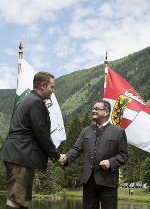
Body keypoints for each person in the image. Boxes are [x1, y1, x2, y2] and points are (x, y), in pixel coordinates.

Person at [0, 72, 64, 209]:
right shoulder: (35, 102)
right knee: (15, 199)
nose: (53, 91)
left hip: (21, 155)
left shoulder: (28, 99)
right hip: (20, 155)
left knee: (24, 200)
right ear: (43, 86)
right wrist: (56, 156)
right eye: (52, 87)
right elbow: (41, 133)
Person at [62, 99, 128, 209]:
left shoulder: (118, 132)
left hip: (108, 181)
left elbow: (123, 155)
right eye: (93, 108)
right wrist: (66, 158)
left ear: (106, 112)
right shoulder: (85, 131)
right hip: (88, 181)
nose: (93, 110)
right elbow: (76, 149)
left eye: (97, 109)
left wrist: (110, 163)